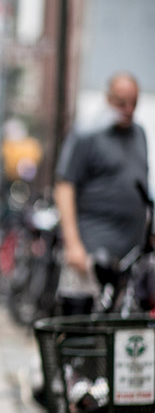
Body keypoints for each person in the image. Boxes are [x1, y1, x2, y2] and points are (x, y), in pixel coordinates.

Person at [54, 72, 149, 309]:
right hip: (91, 251)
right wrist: (73, 244)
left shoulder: (139, 134)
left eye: (133, 103)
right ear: (107, 98)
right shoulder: (87, 133)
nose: (128, 109)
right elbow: (65, 186)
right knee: (83, 325)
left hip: (128, 258)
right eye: (121, 102)